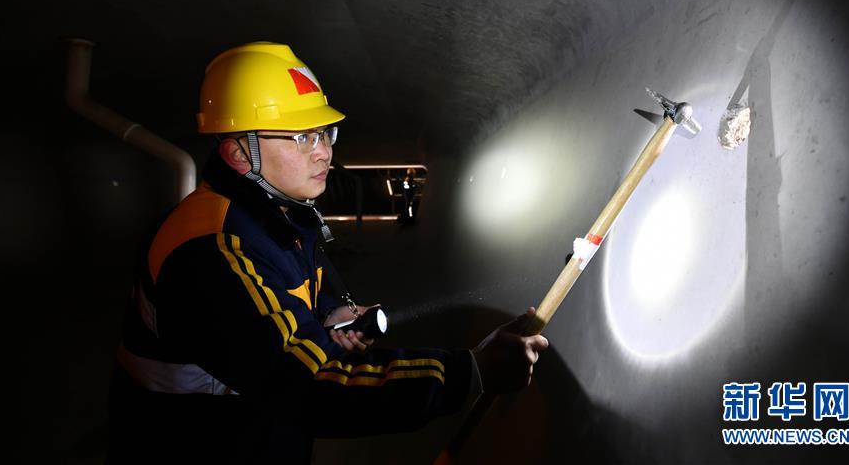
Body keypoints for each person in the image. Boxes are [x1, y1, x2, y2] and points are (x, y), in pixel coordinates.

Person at [106, 42, 548, 464]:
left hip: (257, 438)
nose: (324, 152)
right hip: (196, 448)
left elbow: (285, 301)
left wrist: (326, 316)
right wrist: (470, 371)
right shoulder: (212, 250)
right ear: (239, 153)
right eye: (302, 137)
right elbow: (307, 386)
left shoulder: (280, 211)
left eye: (324, 132)